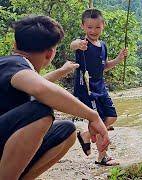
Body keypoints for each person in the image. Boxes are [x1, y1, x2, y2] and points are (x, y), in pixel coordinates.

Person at [0, 15, 109, 180]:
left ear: (15, 45)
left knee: (66, 131)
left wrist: (61, 72)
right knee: (40, 112)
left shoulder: (11, 65)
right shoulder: (13, 64)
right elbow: (40, 89)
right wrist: (92, 116)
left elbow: (35, 84)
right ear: (50, 53)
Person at [70, 8, 128, 166]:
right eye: (89, 27)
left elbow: (103, 66)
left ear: (103, 25)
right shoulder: (83, 44)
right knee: (99, 121)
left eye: (97, 27)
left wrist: (118, 59)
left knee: (111, 117)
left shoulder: (102, 45)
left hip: (100, 87)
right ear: (83, 26)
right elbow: (72, 45)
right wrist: (78, 44)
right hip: (86, 88)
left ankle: (87, 134)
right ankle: (102, 156)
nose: (93, 31)